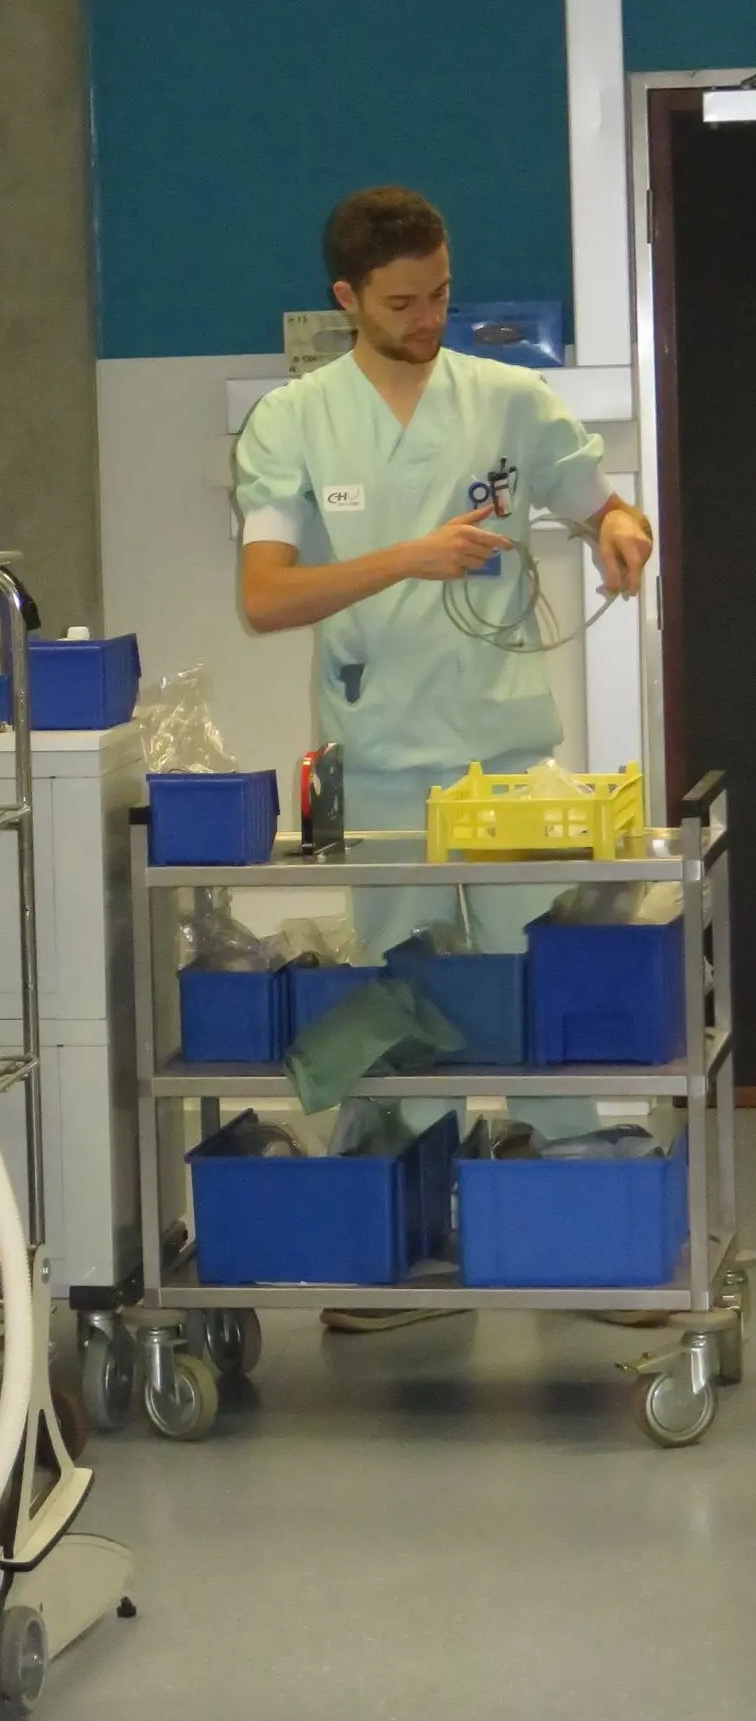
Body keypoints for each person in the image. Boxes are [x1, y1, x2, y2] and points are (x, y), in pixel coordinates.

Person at [235, 187, 654, 1325]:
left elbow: (603, 507)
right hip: (378, 757)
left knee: (540, 995)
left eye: (442, 296)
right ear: (347, 298)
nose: (429, 319)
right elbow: (266, 597)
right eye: (403, 303)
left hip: (509, 758)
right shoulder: (294, 422)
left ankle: (584, 1236)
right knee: (399, 1003)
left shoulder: (509, 402)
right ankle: (397, 1253)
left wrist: (621, 532)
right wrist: (405, 558)